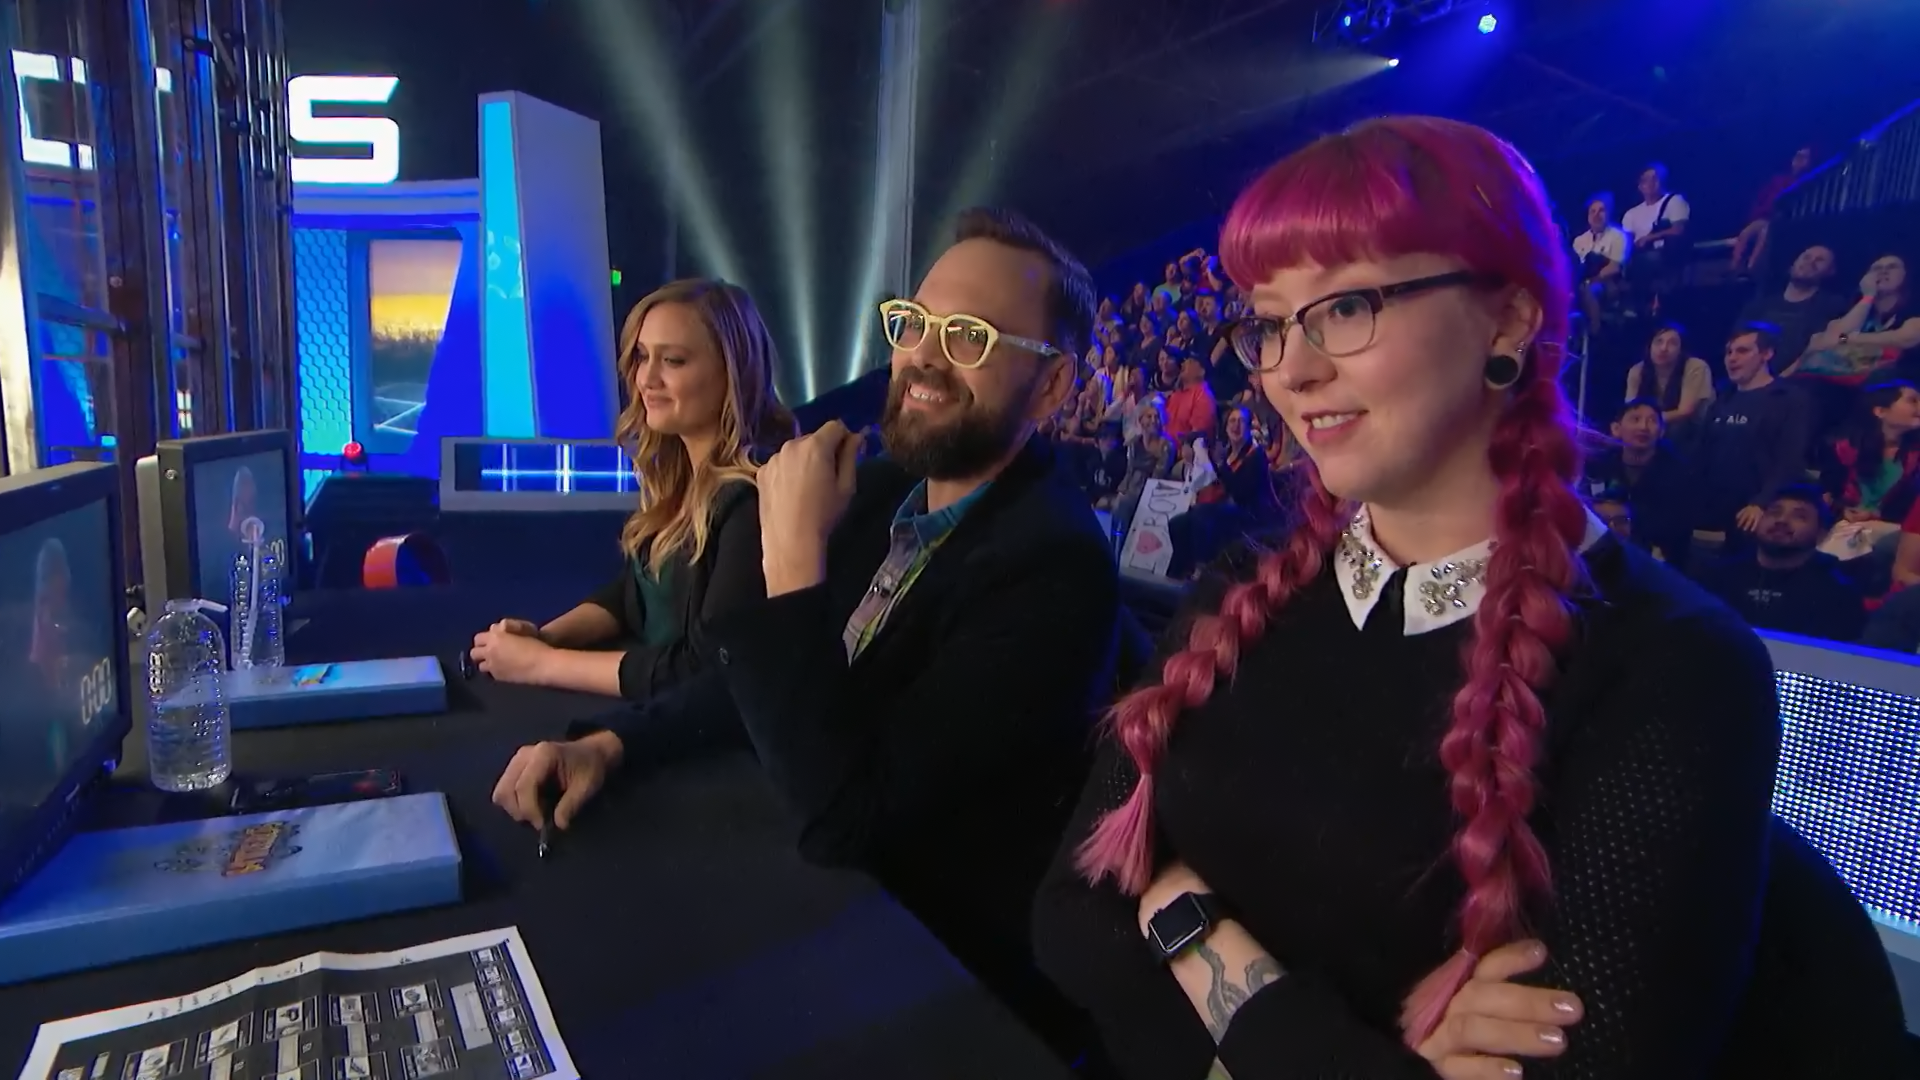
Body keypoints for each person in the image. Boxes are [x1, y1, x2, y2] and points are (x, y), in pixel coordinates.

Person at [1032, 116, 1785, 1078]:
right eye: (1269, 322)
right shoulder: (1237, 590)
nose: (1292, 371)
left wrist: (1181, 920)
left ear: (1508, 318)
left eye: (1347, 307)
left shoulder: (1672, 666)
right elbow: (1066, 916)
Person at [493, 207, 1121, 1055]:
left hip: (935, 980)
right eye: (916, 324)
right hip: (817, 902)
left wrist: (790, 562)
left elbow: (849, 819)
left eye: (971, 336)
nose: (926, 356)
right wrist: (614, 745)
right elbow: (742, 679)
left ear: (1051, 387)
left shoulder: (1054, 568)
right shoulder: (884, 482)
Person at [470, 280, 795, 700]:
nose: (647, 378)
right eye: (642, 357)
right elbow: (635, 596)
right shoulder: (680, 479)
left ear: (733, 372)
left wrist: (540, 665)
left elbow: (707, 668)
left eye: (673, 360)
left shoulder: (751, 499)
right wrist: (544, 637)